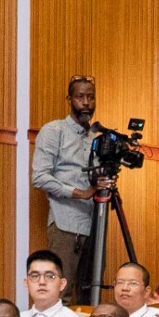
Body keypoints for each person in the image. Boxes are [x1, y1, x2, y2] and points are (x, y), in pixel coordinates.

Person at [31, 75, 103, 296]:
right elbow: (39, 177)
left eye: (90, 97)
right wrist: (79, 193)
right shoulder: (54, 131)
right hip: (65, 224)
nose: (86, 103)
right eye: (80, 97)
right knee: (61, 294)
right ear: (69, 99)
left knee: (91, 294)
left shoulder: (97, 137)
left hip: (95, 226)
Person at [17, 250, 87, 317]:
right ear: (26, 283)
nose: (41, 282)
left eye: (50, 276)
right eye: (35, 276)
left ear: (62, 284)